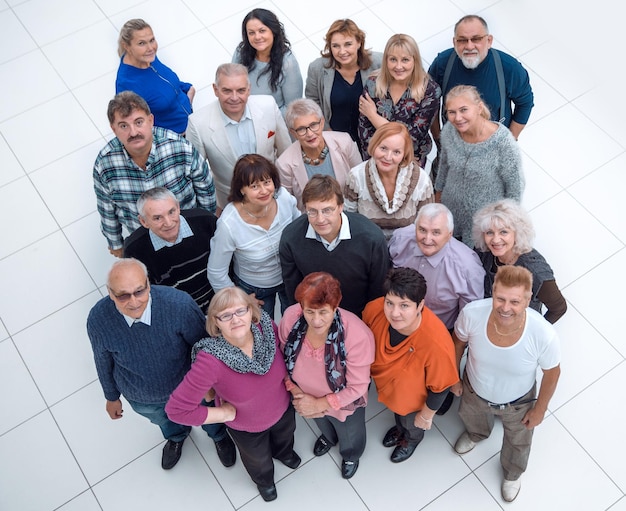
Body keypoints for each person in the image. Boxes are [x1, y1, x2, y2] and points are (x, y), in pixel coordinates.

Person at [86, 259, 236, 471]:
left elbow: (204, 347)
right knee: (166, 423)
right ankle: (176, 436)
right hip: (143, 397)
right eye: (123, 295)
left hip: (191, 389)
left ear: (148, 284)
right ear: (110, 293)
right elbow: (102, 359)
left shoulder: (179, 305)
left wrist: (210, 385)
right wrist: (111, 397)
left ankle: (218, 435)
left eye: (140, 291)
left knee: (209, 416)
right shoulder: (98, 319)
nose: (134, 301)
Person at [165, 287, 300, 502]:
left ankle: (284, 454)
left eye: (240, 311)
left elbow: (284, 355)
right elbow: (177, 411)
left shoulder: (266, 327)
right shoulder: (210, 360)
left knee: (285, 437)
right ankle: (265, 481)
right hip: (247, 427)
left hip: (282, 409)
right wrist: (222, 415)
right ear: (215, 322)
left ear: (251, 311)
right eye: (225, 315)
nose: (235, 319)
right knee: (258, 460)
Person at [451, 265, 561, 502]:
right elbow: (458, 343)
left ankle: (512, 473)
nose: (505, 308)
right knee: (471, 417)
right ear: (492, 291)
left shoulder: (543, 333)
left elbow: (552, 372)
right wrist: (454, 377)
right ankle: (477, 434)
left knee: (519, 440)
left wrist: (540, 409)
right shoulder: (472, 313)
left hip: (519, 402)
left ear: (528, 299)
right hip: (474, 388)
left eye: (515, 302)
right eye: (500, 298)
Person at [93, 91, 216, 257]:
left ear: (150, 120)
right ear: (113, 129)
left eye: (138, 122)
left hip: (187, 227)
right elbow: (106, 207)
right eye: (124, 126)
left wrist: (206, 224)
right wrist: (115, 243)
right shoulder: (104, 164)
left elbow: (205, 187)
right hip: (143, 238)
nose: (133, 132)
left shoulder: (179, 147)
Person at [279, 272, 375, 479]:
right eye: (309, 311)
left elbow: (357, 387)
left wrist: (320, 404)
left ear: (335, 306)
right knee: (322, 423)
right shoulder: (290, 317)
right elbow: (282, 357)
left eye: (323, 312)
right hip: (303, 395)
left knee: (350, 432)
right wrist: (297, 392)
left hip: (342, 400)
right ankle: (329, 438)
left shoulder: (357, 335)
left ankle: (351, 454)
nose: (316, 320)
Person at [362, 267, 459, 463]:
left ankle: (411, 439)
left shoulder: (436, 343)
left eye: (404, 305)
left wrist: (425, 416)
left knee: (411, 423)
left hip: (414, 401)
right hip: (390, 389)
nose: (394, 313)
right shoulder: (374, 310)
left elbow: (440, 388)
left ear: (420, 305)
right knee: (399, 417)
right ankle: (400, 429)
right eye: (389, 303)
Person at [279, 174, 390, 317]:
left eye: (327, 210)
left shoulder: (371, 238)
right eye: (312, 211)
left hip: (360, 317)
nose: (320, 219)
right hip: (315, 318)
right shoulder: (291, 238)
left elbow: (378, 291)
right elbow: (293, 291)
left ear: (341, 207)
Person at [207, 154, 300, 319]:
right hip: (255, 290)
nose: (264, 191)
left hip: (289, 278)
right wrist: (239, 300)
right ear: (242, 189)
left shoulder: (284, 198)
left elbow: (299, 230)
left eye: (267, 182)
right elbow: (216, 272)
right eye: (255, 186)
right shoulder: (228, 224)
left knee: (294, 325)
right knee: (264, 334)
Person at [186, 63, 291, 209]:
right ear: (215, 90)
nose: (234, 98)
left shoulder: (268, 106)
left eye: (241, 90)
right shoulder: (198, 123)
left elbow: (286, 152)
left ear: (249, 89)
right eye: (227, 91)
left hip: (272, 195)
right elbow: (196, 173)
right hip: (230, 201)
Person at [434, 85, 523, 246]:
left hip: (484, 221)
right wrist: (437, 198)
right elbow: (444, 165)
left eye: (463, 110)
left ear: (479, 108)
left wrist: (504, 225)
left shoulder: (503, 143)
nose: (458, 118)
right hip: (450, 208)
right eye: (451, 112)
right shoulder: (448, 131)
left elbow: (515, 187)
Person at [428, 14, 534, 142]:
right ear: (454, 42)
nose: (469, 46)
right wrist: (438, 138)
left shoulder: (509, 68)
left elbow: (525, 103)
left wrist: (509, 140)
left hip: (492, 144)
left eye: (476, 39)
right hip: (452, 143)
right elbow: (430, 102)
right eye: (462, 40)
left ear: (489, 41)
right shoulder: (442, 64)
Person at [389, 203, 485, 330]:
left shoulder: (467, 267)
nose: (427, 239)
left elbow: (470, 318)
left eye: (436, 232)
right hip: (395, 322)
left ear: (449, 234)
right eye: (422, 230)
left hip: (438, 332)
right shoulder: (400, 240)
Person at [472, 199, 567, 323]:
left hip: (519, 323)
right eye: (490, 232)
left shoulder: (535, 270)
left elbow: (559, 308)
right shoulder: (483, 251)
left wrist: (535, 330)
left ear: (517, 233)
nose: (495, 240)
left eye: (503, 232)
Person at [123, 187, 217, 312]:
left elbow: (233, 263)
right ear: (143, 221)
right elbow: (145, 296)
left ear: (178, 207)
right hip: (177, 312)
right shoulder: (134, 250)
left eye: (171, 212)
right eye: (157, 218)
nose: (168, 222)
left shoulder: (206, 221)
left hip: (221, 299)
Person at [358, 34, 440, 167]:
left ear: (415, 60)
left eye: (405, 60)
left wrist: (373, 116)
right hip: (376, 158)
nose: (398, 66)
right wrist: (378, 158)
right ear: (386, 60)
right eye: (393, 59)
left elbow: (412, 138)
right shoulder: (373, 83)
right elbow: (364, 129)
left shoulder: (429, 90)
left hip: (410, 160)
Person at [344, 122, 433, 239]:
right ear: (374, 145)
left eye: (396, 152)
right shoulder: (356, 176)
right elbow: (349, 219)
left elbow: (427, 222)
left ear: (404, 154)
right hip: (368, 247)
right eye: (383, 148)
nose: (388, 157)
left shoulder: (422, 179)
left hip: (408, 248)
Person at [305, 19, 383, 152]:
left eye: (348, 44)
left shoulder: (379, 63)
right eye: (336, 46)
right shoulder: (317, 68)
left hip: (373, 138)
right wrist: (327, 132)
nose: (342, 51)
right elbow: (312, 104)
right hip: (335, 139)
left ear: (359, 43)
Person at [276, 99, 362, 211]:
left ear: (322, 123)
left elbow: (361, 181)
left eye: (313, 125)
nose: (310, 134)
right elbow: (287, 205)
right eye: (301, 129)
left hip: (349, 213)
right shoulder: (284, 164)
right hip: (310, 220)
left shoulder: (344, 142)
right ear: (293, 133)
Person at [116, 19, 194, 135]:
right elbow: (134, 127)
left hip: (191, 124)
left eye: (152, 40)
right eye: (141, 43)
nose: (150, 48)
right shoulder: (127, 84)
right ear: (126, 46)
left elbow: (167, 82)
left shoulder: (148, 58)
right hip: (176, 138)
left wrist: (189, 90)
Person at [232, 8, 303, 115]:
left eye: (262, 31)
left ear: (273, 31)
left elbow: (292, 107)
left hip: (273, 119)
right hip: (242, 113)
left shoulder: (288, 63)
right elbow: (232, 84)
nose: (257, 37)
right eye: (251, 33)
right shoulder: (241, 53)